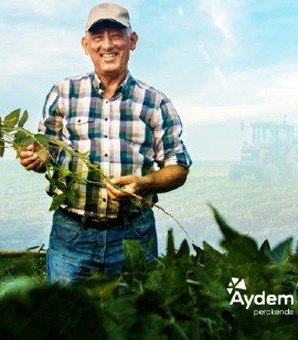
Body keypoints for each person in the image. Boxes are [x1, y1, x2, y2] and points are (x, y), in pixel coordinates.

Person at [20, 3, 192, 284]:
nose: (107, 45)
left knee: (134, 322)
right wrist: (34, 157)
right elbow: (47, 150)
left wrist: (144, 184)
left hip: (134, 234)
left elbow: (178, 167)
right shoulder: (64, 93)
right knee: (67, 322)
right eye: (98, 37)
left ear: (132, 41)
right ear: (85, 45)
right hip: (72, 233)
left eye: (117, 35)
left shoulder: (155, 102)